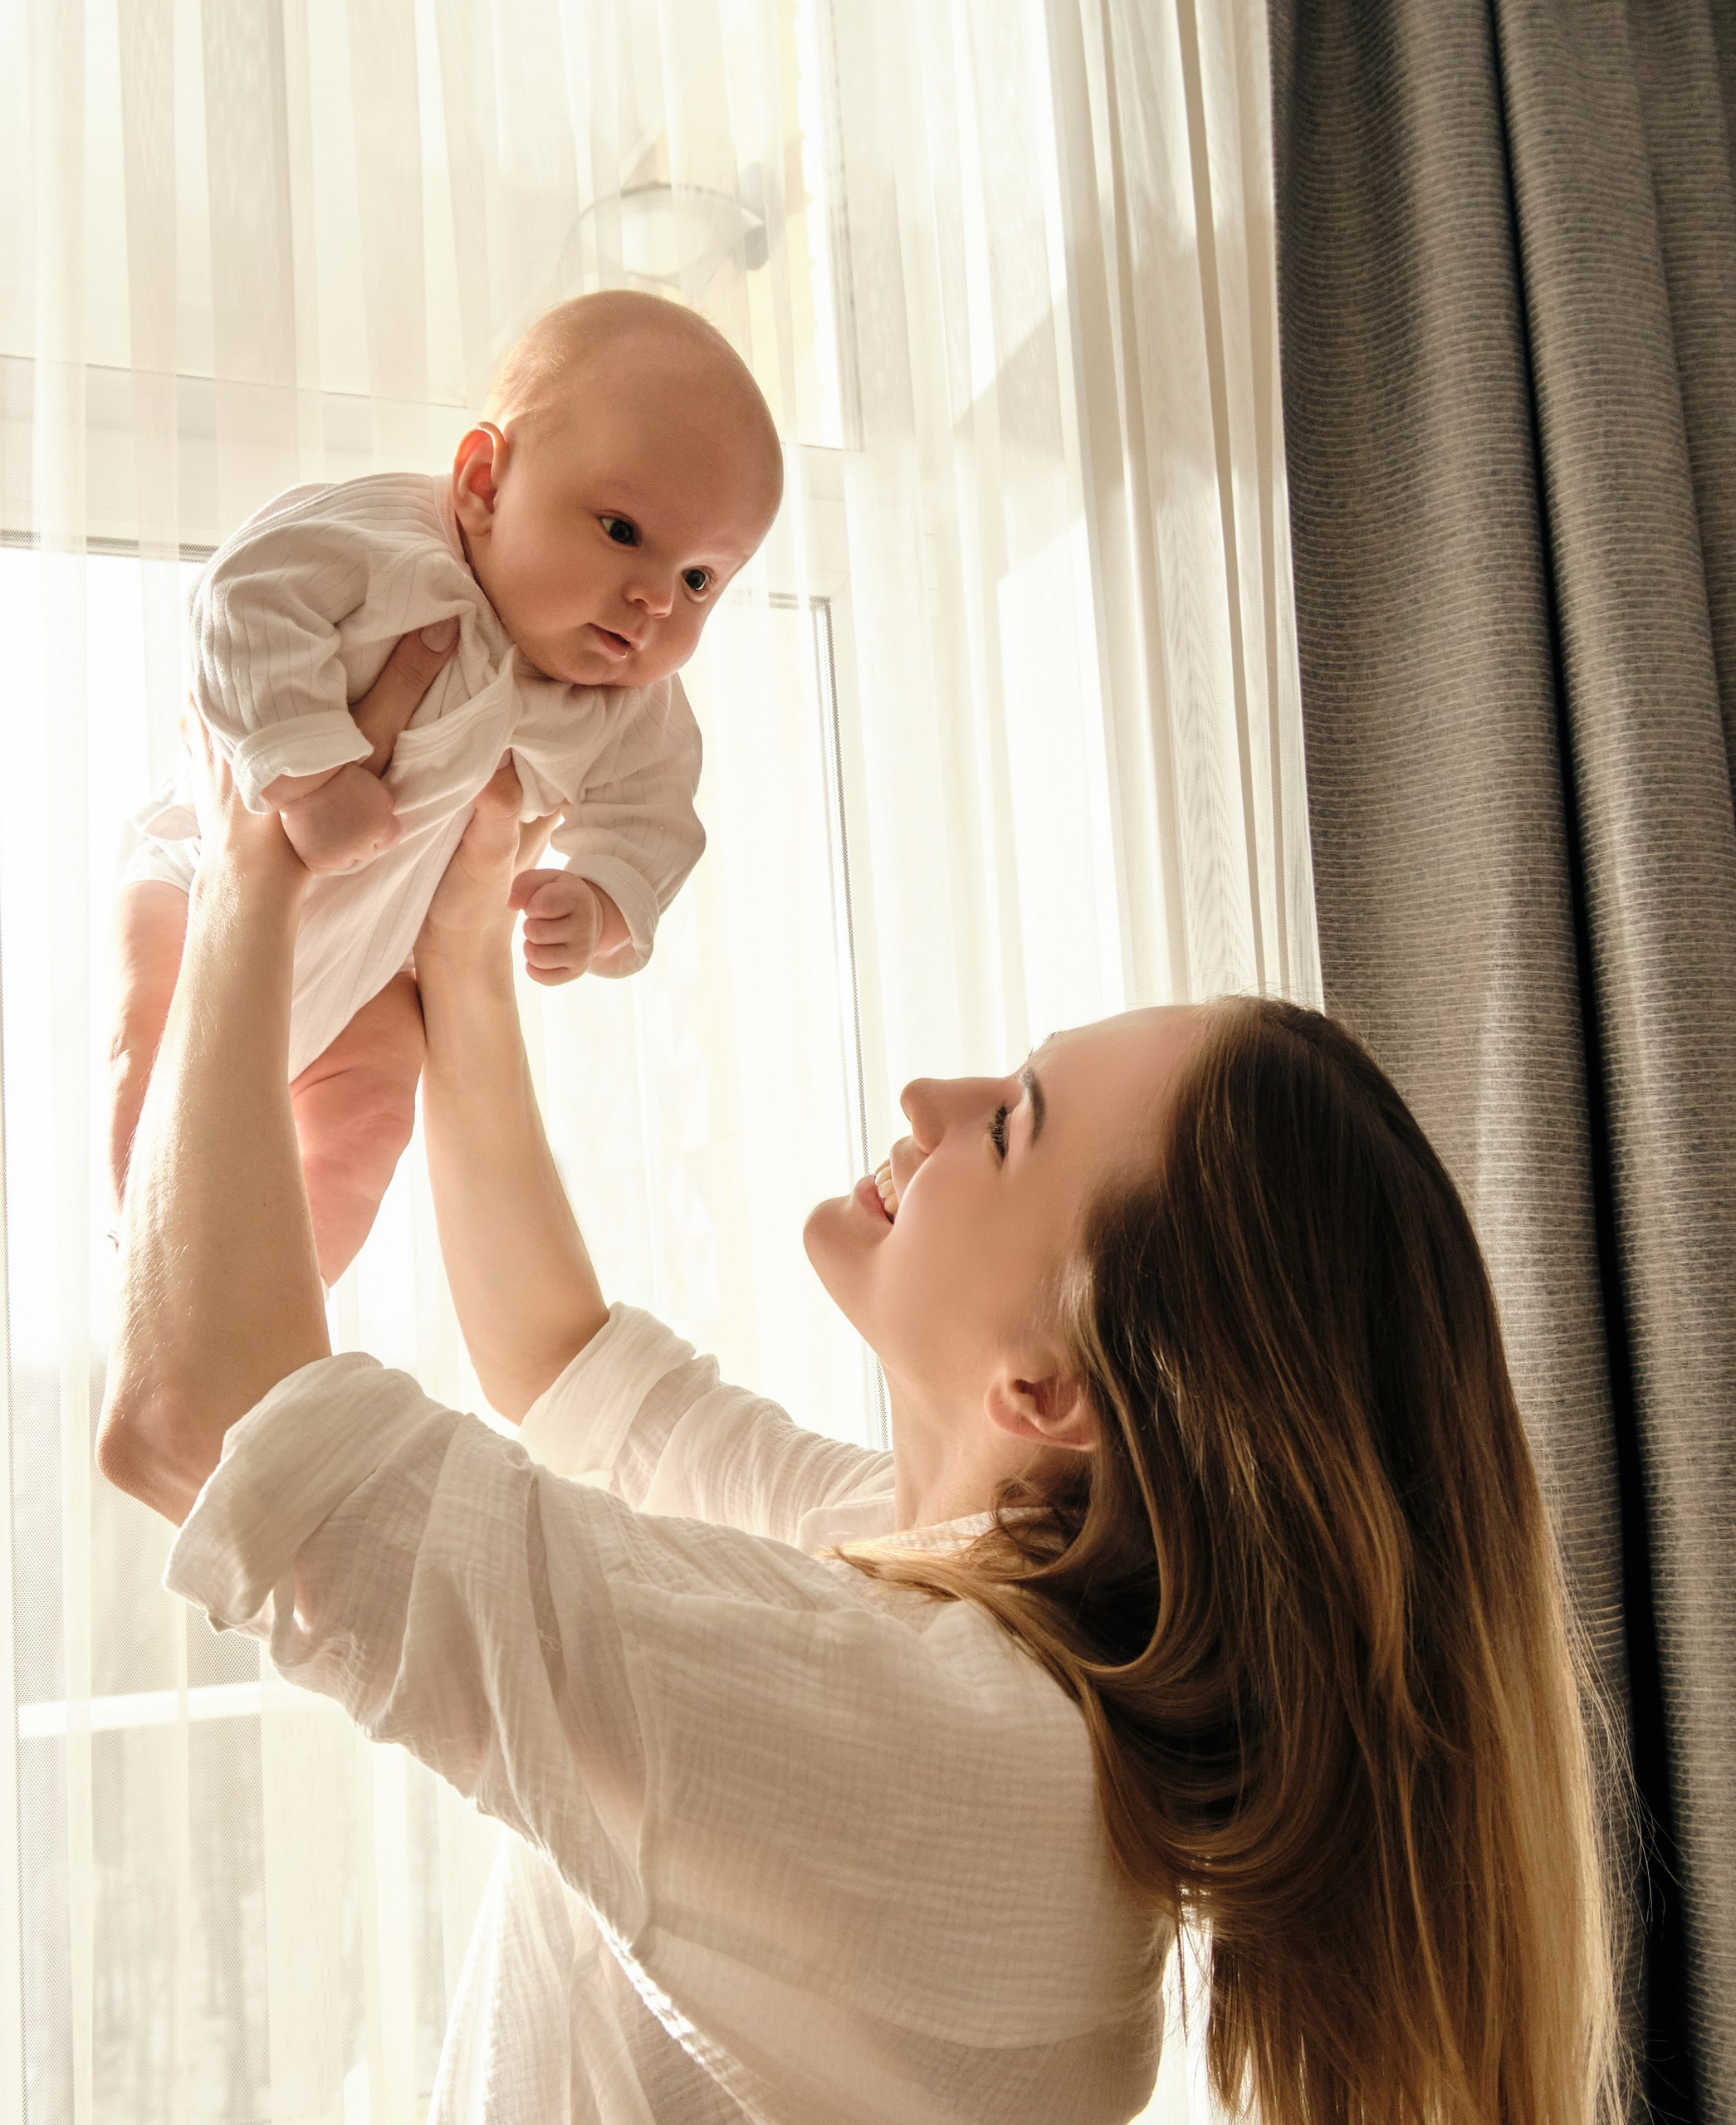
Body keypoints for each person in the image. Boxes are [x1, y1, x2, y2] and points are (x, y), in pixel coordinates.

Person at [99, 633, 1624, 2123]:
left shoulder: (958, 1757)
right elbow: (564, 1365)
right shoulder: (957, 1619)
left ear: (1052, 1393)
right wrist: (464, 941)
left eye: (1013, 1122)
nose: (927, 1098)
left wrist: (258, 845)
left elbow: (202, 1426)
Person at [105, 290, 784, 1282]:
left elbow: (655, 816)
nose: (653, 599)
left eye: (698, 581)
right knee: (146, 1041)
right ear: (481, 481)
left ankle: (265, 1319)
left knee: (373, 1114)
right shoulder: (387, 543)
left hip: (376, 970)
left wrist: (598, 902)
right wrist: (311, 771)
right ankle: (145, 1262)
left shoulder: (633, 707)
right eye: (621, 529)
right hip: (205, 875)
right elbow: (242, 602)